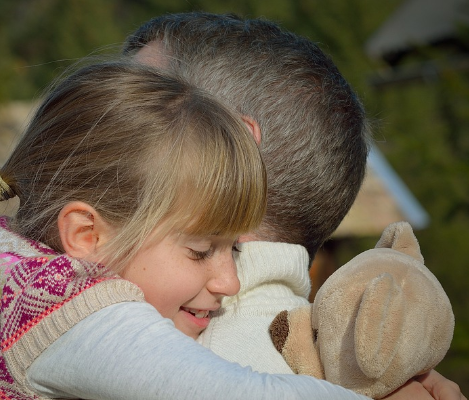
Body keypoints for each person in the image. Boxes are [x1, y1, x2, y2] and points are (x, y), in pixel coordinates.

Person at [0, 62, 376, 399]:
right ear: (88, 236)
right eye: (201, 251)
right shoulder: (69, 312)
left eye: (233, 251)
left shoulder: (11, 264)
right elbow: (247, 394)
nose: (230, 282)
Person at [123, 11, 465, 399]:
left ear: (231, 151)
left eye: (131, 116)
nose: (89, 138)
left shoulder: (141, 365)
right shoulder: (328, 368)